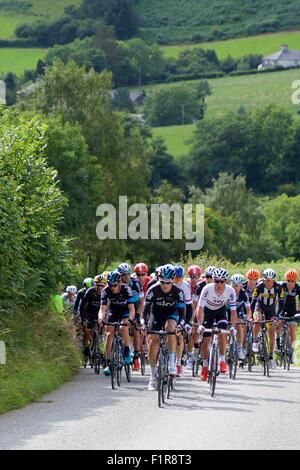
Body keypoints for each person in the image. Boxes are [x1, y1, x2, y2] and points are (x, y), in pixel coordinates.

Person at [142, 265, 185, 391]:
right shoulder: (152, 290)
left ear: (172, 280)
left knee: (171, 327)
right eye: (162, 282)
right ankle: (153, 375)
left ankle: (172, 363)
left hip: (171, 313)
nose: (165, 285)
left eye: (168, 282)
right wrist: (143, 323)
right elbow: (144, 311)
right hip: (156, 314)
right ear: (158, 279)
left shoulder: (178, 292)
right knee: (153, 341)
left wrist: (181, 325)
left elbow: (182, 314)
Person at [197, 268, 237, 381]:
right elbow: (199, 308)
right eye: (216, 281)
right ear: (213, 281)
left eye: (222, 281)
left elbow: (233, 311)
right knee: (206, 340)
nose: (219, 284)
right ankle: (205, 367)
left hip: (220, 311)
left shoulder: (230, 291)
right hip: (207, 312)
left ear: (226, 281)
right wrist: (200, 324)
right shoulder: (207, 289)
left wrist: (233, 326)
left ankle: (222, 360)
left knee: (222, 332)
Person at [99, 270, 137, 376]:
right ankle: (108, 362)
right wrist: (101, 318)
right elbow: (102, 309)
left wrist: (130, 319)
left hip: (125, 310)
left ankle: (126, 349)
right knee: (108, 333)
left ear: (119, 283)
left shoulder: (126, 289)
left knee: (122, 327)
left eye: (115, 285)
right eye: (110, 285)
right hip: (113, 311)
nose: (112, 288)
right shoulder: (106, 290)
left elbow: (132, 309)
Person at [251, 268, 285, 369]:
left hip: (271, 309)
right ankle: (255, 341)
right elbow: (253, 302)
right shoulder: (259, 287)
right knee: (257, 320)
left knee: (272, 330)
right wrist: (252, 314)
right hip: (259, 306)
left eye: (271, 280)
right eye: (267, 280)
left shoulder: (279, 287)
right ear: (264, 279)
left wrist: (278, 315)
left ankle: (270, 356)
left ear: (274, 280)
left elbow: (282, 302)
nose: (269, 282)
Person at [117, 263, 144, 372]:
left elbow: (142, 302)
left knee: (136, 330)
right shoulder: (116, 284)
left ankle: (136, 357)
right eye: (123, 275)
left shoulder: (136, 283)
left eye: (128, 274)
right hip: (120, 308)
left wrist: (137, 315)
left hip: (134, 308)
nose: (126, 277)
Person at [80, 275, 106, 358]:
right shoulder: (90, 292)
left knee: (102, 332)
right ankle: (86, 347)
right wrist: (84, 319)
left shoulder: (106, 293)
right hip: (89, 313)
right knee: (86, 331)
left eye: (102, 286)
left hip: (100, 314)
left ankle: (101, 351)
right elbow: (82, 306)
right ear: (94, 285)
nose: (100, 288)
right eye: (98, 285)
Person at [173, 265, 192, 376]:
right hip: (167, 309)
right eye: (176, 278)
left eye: (180, 278)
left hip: (180, 311)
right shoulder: (167, 284)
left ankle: (178, 363)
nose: (178, 281)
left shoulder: (185, 286)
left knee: (179, 335)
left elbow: (189, 306)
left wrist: (188, 322)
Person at [229, 274, 252, 361]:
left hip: (238, 310)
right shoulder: (227, 291)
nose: (235, 288)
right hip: (227, 310)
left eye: (237, 285)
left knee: (239, 324)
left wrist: (248, 319)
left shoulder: (244, 294)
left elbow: (248, 309)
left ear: (241, 285)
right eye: (233, 285)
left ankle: (239, 347)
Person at [279, 269, 300, 362]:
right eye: (288, 281)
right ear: (286, 280)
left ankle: (291, 351)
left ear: (295, 281)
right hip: (282, 309)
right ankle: (279, 341)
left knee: (292, 330)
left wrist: (298, 313)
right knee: (280, 324)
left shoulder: (298, 288)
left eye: (292, 281)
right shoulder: (282, 286)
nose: (290, 283)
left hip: (292, 310)